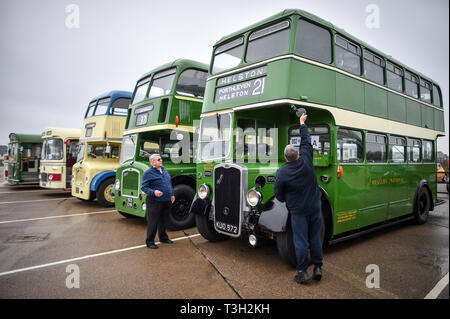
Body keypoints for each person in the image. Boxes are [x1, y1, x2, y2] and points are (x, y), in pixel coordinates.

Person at [274, 112, 323, 284]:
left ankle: (302, 272)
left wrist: (288, 198)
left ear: (286, 157)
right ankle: (318, 267)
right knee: (315, 237)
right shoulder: (307, 159)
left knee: (300, 241)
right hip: (314, 206)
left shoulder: (282, 172)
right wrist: (302, 123)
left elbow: (278, 195)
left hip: (298, 212)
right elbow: (306, 140)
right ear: (298, 154)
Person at [141, 153, 175, 249]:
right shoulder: (148, 173)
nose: (161, 160)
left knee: (164, 220)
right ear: (153, 162)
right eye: (159, 159)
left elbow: (169, 183)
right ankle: (150, 241)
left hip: (166, 200)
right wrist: (153, 192)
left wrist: (172, 194)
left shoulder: (164, 170)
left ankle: (163, 238)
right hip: (154, 201)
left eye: (160, 159)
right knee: (153, 222)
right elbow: (144, 187)